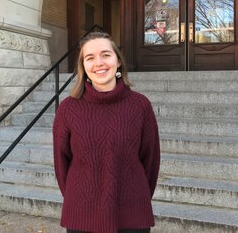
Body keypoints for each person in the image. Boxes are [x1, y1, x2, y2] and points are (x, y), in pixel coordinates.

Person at [53, 32, 160, 233]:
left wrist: (138, 198)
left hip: (132, 213)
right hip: (81, 214)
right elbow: (61, 163)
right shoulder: (68, 108)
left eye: (106, 55)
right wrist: (77, 200)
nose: (99, 63)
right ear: (83, 66)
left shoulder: (140, 105)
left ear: (118, 61)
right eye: (90, 58)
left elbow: (150, 160)